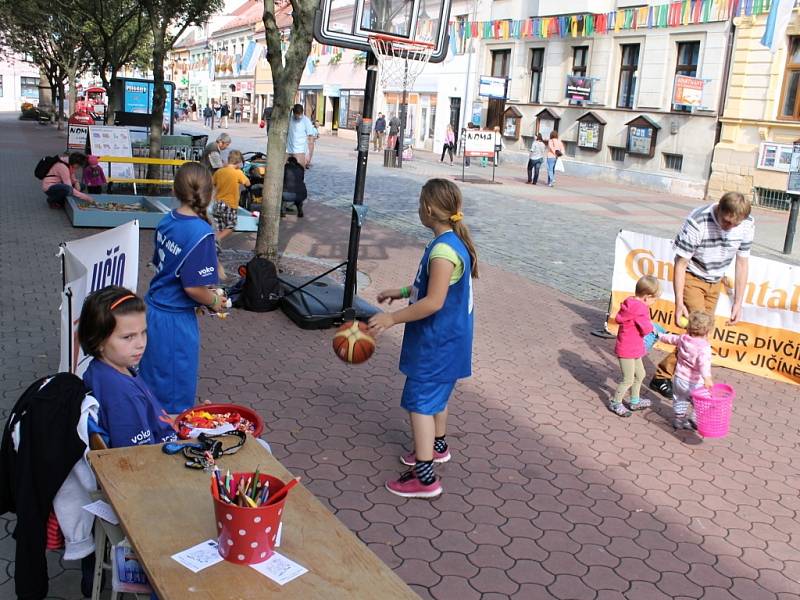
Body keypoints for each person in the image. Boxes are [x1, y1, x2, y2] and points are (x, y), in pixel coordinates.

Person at [368, 179, 478, 498]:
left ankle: (425, 476)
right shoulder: (451, 242)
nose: (418, 208)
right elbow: (430, 289)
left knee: (420, 404)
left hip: (437, 344)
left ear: (428, 209)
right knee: (436, 401)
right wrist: (401, 291)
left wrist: (391, 318)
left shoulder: (443, 250)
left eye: (419, 203)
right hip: (449, 343)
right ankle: (438, 446)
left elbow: (434, 302)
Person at [138, 162, 227, 413]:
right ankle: (167, 443)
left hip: (154, 310)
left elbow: (161, 265)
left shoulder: (167, 219)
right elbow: (194, 288)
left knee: (152, 382)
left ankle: (147, 434)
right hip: (175, 322)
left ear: (176, 191)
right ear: (209, 193)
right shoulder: (201, 232)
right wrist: (213, 301)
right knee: (175, 395)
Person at [649, 192, 754, 398]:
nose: (729, 228)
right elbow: (680, 263)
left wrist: (738, 302)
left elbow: (742, 263)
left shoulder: (747, 223)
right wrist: (679, 302)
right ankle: (666, 376)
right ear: (720, 210)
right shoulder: (698, 221)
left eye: (735, 224)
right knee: (699, 336)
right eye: (726, 222)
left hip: (716, 280)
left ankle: (672, 376)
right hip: (692, 277)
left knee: (700, 336)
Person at [78, 286, 177, 449]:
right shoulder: (124, 396)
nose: (141, 344)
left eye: (143, 332)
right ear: (98, 340)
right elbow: (138, 456)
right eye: (128, 337)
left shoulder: (105, 368)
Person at [609, 276, 659, 417]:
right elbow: (646, 328)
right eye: (654, 299)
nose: (654, 302)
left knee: (640, 374)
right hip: (628, 349)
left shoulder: (631, 302)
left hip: (632, 347)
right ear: (647, 297)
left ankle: (635, 400)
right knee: (628, 379)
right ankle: (615, 402)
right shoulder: (641, 308)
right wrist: (654, 330)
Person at [657, 312, 714, 430]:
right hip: (694, 382)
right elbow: (703, 364)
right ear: (708, 331)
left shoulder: (683, 339)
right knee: (701, 402)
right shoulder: (704, 347)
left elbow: (671, 338)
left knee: (680, 399)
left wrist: (660, 335)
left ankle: (679, 421)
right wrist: (707, 378)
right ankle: (694, 418)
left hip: (679, 379)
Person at [212, 150, 250, 263]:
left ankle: (215, 249)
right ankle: (216, 239)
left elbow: (213, 183)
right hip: (230, 204)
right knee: (231, 226)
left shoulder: (219, 171)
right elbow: (247, 183)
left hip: (217, 203)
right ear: (238, 163)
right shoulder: (237, 173)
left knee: (218, 227)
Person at [286, 104, 316, 168]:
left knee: (299, 174)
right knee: (287, 174)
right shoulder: (289, 119)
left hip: (300, 152)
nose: (298, 117)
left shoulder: (306, 121)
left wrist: (309, 156)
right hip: (288, 151)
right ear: (293, 113)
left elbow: (311, 139)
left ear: (302, 112)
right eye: (296, 115)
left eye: (300, 115)